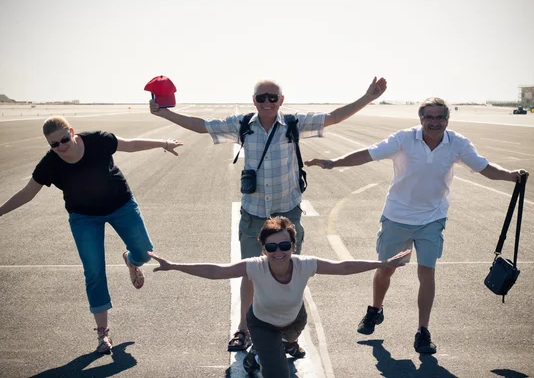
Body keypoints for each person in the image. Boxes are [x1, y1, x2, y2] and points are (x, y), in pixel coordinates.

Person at [149, 76, 388, 351]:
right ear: (254, 100)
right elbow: (201, 126)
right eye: (261, 97)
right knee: (250, 273)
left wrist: (368, 96)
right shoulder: (241, 125)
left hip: (287, 213)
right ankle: (243, 330)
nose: (267, 102)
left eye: (272, 97)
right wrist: (165, 112)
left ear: (281, 100)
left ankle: (290, 336)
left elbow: (333, 117)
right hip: (254, 214)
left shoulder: (294, 124)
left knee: (291, 274)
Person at [305, 97, 529, 354]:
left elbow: (484, 167)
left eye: (440, 117)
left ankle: (423, 331)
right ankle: (375, 310)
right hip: (397, 216)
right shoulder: (404, 139)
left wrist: (511, 176)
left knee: (427, 273)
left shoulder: (457, 143)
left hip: (432, 219)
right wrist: (335, 162)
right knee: (386, 269)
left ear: (447, 119)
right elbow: (368, 154)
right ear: (421, 119)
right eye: (429, 117)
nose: (435, 122)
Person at [0, 116, 183, 354]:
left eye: (64, 139)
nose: (61, 147)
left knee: (144, 252)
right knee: (94, 271)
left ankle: (132, 260)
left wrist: (163, 143)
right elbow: (27, 193)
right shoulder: (50, 164)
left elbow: (130, 144)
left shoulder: (97, 140)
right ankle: (103, 334)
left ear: (72, 132)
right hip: (84, 218)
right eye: (54, 145)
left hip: (121, 206)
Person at [149, 216, 410, 378]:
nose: (278, 251)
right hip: (262, 324)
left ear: (292, 246)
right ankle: (260, 353)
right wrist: (174, 265)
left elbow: (342, 267)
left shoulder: (305, 264)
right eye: (271, 247)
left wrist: (382, 263)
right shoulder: (255, 266)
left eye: (284, 245)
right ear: (263, 248)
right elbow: (217, 271)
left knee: (290, 337)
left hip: (295, 319)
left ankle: (269, 350)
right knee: (278, 373)